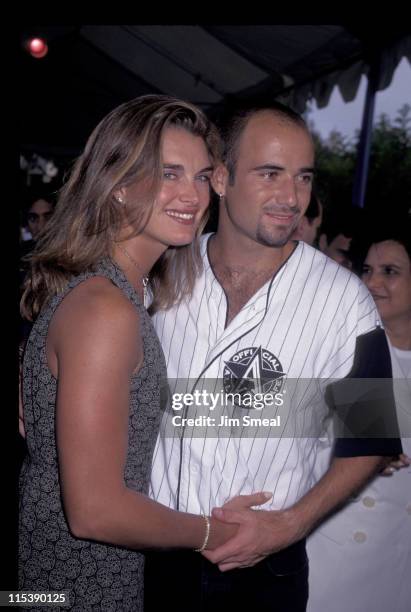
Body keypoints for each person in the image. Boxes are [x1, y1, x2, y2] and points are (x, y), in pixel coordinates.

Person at [146, 101, 402, 611]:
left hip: (265, 573)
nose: (292, 198)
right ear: (221, 177)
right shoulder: (162, 270)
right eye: (270, 174)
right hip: (155, 555)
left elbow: (371, 438)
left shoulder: (343, 299)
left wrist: (289, 524)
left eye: (303, 178)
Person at [18, 95, 268, 611]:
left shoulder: (120, 295)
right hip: (70, 593)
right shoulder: (106, 309)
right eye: (168, 173)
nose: (192, 195)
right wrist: (212, 534)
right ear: (117, 186)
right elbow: (95, 511)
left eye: (202, 176)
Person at [307, 220, 411, 612]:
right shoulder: (346, 350)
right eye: (366, 270)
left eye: (390, 272)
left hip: (398, 557)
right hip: (340, 549)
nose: (372, 283)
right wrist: (363, 455)